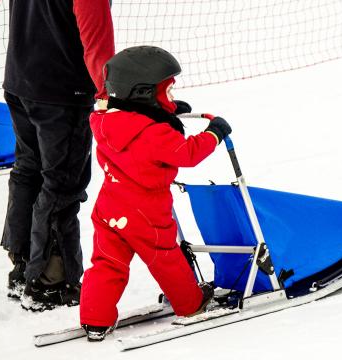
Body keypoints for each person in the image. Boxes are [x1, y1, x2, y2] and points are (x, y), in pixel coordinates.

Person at [79, 46, 232, 341]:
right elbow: (186, 153)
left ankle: (95, 319)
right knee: (166, 257)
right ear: (144, 94)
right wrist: (214, 133)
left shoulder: (105, 120)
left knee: (107, 262)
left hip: (110, 207)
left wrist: (167, 112)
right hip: (145, 212)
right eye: (167, 94)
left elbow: (136, 122)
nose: (170, 99)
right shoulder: (153, 133)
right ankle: (190, 304)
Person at [0, 0, 115, 311]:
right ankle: (52, 282)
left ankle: (23, 269)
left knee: (29, 172)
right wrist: (107, 94)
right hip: (61, 93)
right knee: (61, 183)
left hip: (21, 82)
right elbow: (97, 43)